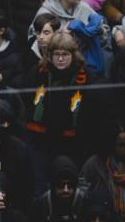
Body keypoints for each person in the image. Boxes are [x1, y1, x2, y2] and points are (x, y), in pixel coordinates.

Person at [22, 29, 98, 171]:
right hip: (41, 141)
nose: (61, 59)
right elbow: (27, 103)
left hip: (73, 143)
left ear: (73, 55)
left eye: (65, 54)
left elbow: (91, 112)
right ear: (49, 56)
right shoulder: (36, 73)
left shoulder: (87, 76)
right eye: (57, 54)